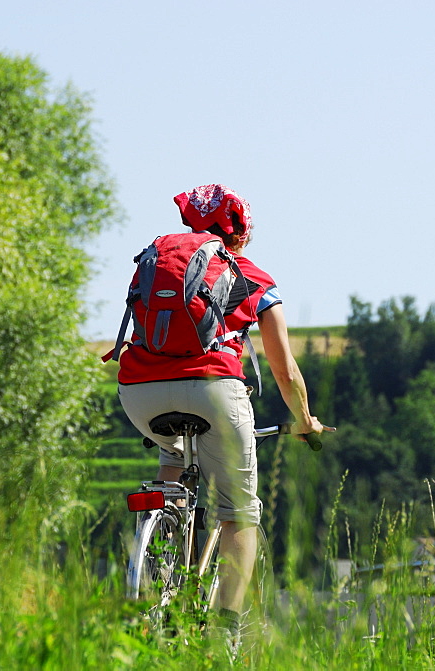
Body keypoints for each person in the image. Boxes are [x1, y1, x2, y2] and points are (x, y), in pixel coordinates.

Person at [116, 184, 325, 644]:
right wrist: (305, 421)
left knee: (173, 470)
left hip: (138, 392)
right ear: (242, 234)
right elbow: (284, 370)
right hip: (213, 390)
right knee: (238, 514)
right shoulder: (253, 277)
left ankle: (164, 566)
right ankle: (223, 636)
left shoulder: (162, 264)